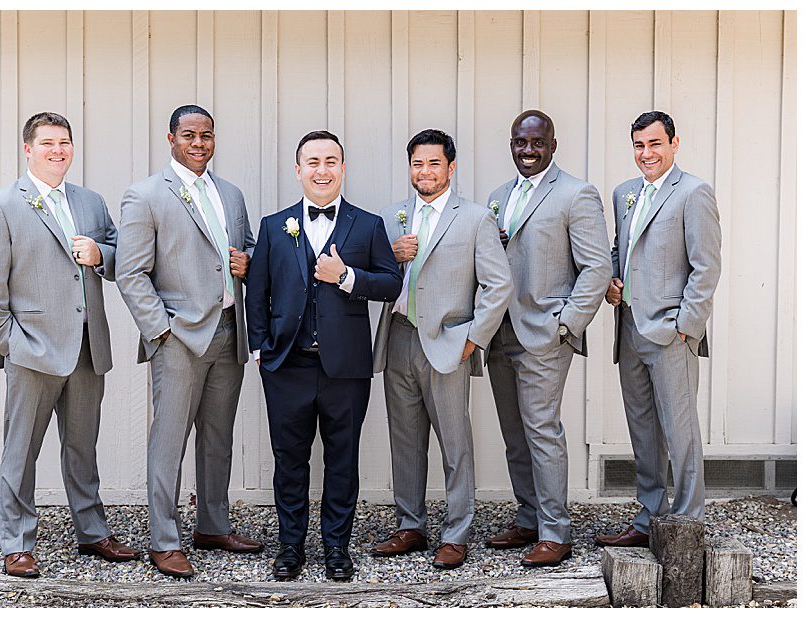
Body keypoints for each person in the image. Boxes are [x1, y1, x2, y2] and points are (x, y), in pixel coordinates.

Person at [0, 112, 138, 577]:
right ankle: (17, 542)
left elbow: (124, 258)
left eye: (65, 142)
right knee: (21, 450)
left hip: (88, 346)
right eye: (47, 143)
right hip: (32, 350)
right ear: (28, 149)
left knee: (83, 446)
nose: (58, 150)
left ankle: (92, 532)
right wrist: (12, 344)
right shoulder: (1, 205)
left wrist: (102, 255)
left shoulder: (91, 202)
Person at [245, 130, 402, 580]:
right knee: (288, 460)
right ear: (298, 170)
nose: (322, 169)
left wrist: (347, 276)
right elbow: (259, 292)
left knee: (342, 459)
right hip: (286, 365)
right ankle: (290, 546)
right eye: (312, 161)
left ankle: (337, 547)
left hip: (346, 368)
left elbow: (391, 284)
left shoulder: (368, 224)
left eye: (331, 160)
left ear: (343, 168)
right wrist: (260, 350)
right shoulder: (275, 226)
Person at [115, 105, 260, 578]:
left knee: (218, 437)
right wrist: (160, 329)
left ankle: (212, 524)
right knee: (169, 441)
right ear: (171, 138)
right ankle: (164, 539)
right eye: (189, 134)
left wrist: (248, 262)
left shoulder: (231, 194)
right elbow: (131, 272)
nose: (199, 142)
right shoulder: (146, 195)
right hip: (178, 336)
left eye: (207, 135)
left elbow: (251, 247)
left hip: (228, 331)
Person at [371, 129, 511, 569]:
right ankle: (410, 525)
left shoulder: (473, 219)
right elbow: (373, 275)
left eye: (434, 163)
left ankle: (456, 532)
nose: (424, 171)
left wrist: (474, 338)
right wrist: (391, 255)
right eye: (417, 163)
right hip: (398, 336)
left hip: (451, 342)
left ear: (451, 168)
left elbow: (498, 284)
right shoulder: (391, 217)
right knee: (405, 440)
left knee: (455, 443)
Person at [483, 110, 610, 567]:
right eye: (521, 142)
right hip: (500, 333)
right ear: (512, 144)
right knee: (515, 435)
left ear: (552, 145)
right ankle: (529, 516)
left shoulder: (577, 194)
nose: (529, 150)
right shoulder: (499, 196)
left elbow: (597, 268)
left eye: (538, 142)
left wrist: (566, 325)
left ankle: (556, 532)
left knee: (542, 432)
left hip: (545, 334)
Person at [595, 111, 721, 548]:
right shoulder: (624, 193)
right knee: (642, 429)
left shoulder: (693, 192)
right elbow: (620, 249)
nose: (646, 154)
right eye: (638, 145)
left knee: (680, 432)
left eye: (654, 144)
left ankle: (687, 525)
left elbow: (706, 268)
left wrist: (687, 327)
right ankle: (650, 516)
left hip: (671, 333)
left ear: (674, 144)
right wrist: (612, 281)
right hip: (628, 329)